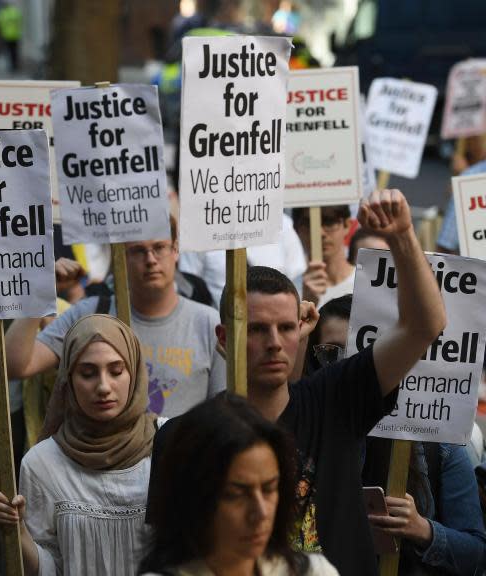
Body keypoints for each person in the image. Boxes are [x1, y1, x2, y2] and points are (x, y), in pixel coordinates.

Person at [183, 189, 445, 576]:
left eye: (286, 327)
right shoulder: (188, 436)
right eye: (256, 329)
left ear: (302, 330)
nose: (274, 342)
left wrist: (402, 236)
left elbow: (424, 327)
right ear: (224, 339)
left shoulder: (335, 399)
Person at [306, 299, 486, 573]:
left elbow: (476, 554)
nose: (347, 367)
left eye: (362, 353)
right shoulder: (303, 435)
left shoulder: (438, 442)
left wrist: (423, 530)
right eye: (332, 353)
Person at [0, 314, 158, 576]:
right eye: (88, 373)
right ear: (68, 380)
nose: (103, 387)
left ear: (134, 372)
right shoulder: (41, 463)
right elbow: (48, 568)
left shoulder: (169, 443)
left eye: (116, 371)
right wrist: (17, 532)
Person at [6, 216, 225, 418]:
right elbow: (15, 365)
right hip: (107, 460)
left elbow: (224, 412)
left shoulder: (208, 324)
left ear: (175, 249)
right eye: (138, 250)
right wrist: (40, 291)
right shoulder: (90, 315)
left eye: (159, 247)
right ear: (121, 256)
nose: (150, 260)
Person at [141, 394, 337, 575]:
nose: (261, 512)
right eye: (236, 494)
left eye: (269, 489)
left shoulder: (313, 572)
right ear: (195, 499)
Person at [293, 205, 355, 308]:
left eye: (329, 222)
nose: (320, 233)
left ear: (347, 225)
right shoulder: (288, 293)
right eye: (309, 224)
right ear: (296, 229)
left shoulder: (367, 285)